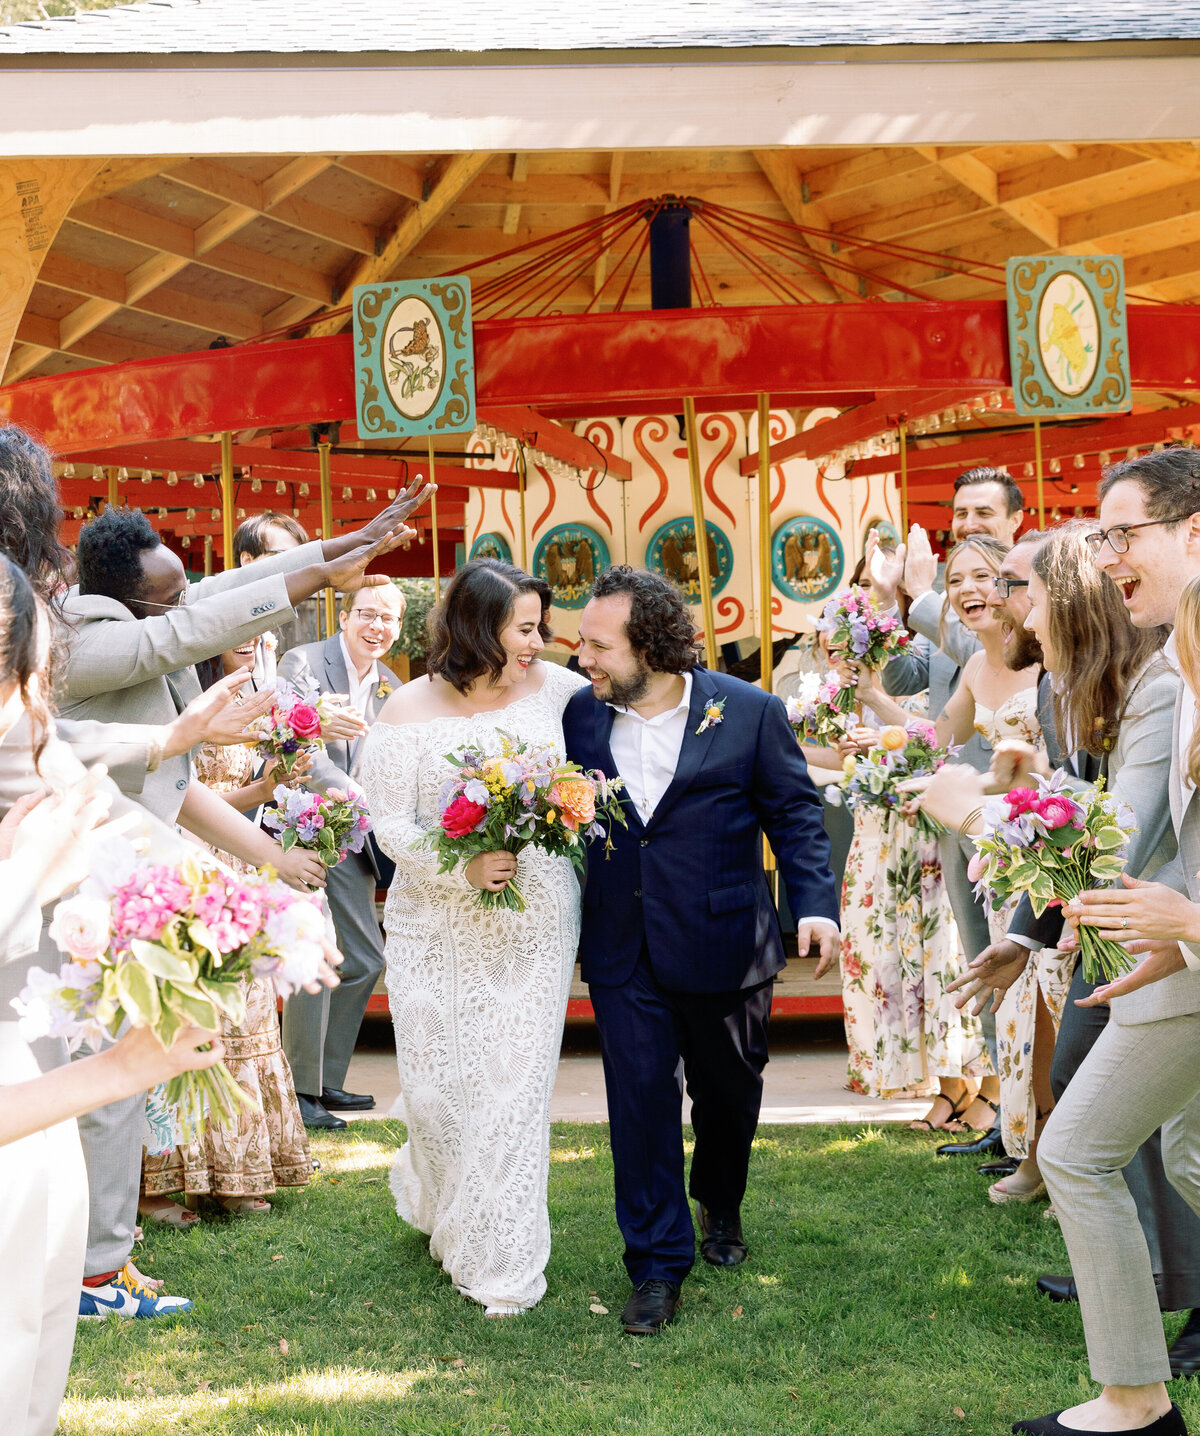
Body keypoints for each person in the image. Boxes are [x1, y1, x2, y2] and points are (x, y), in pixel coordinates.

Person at [563, 567, 839, 1337]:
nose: (582, 658)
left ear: (650, 646)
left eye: (597, 644)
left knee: (727, 1095)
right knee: (640, 1103)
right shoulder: (580, 721)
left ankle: (722, 1197)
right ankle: (654, 1264)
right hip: (623, 946)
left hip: (725, 939)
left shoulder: (748, 711)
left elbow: (794, 813)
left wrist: (814, 908)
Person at [989, 449, 1200, 1436]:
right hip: (1177, 965)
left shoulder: (1168, 674)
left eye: (1125, 532)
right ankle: (1138, 1396)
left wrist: (989, 811)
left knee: (1078, 1148)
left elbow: (1131, 839)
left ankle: (1136, 1399)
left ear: (1194, 530)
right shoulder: (1177, 663)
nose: (1108, 555)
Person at [359, 559, 587, 1318]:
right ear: (476, 626)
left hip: (535, 916)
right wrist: (461, 866)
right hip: (433, 921)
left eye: (539, 627)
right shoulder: (405, 708)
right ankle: (447, 1201)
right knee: (438, 1092)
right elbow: (388, 822)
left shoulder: (560, 693)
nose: (537, 642)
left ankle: (501, 1264)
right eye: (524, 628)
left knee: (511, 1090)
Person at [857, 536, 1032, 1135]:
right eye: (955, 581)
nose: (967, 591)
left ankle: (1037, 1133)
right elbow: (939, 737)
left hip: (1036, 844)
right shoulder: (978, 665)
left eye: (983, 577)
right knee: (990, 972)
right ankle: (1015, 1131)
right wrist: (877, 711)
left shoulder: (1041, 659)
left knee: (1035, 980)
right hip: (981, 840)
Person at [140, 634, 316, 1221]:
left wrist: (279, 785)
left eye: (256, 626)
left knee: (245, 1015)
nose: (247, 637)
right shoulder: (166, 689)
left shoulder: (266, 689)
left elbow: (235, 801)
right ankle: (157, 1183)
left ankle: (233, 1172)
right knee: (185, 1012)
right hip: (175, 856)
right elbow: (177, 792)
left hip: (237, 858)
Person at [277, 575, 406, 1130]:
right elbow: (297, 745)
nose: (376, 626)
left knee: (366, 958)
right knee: (315, 951)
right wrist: (354, 795)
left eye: (388, 619)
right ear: (345, 618)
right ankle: (299, 1091)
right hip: (301, 829)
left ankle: (327, 1077)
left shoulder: (392, 687)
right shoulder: (301, 664)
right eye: (367, 614)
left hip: (355, 839)